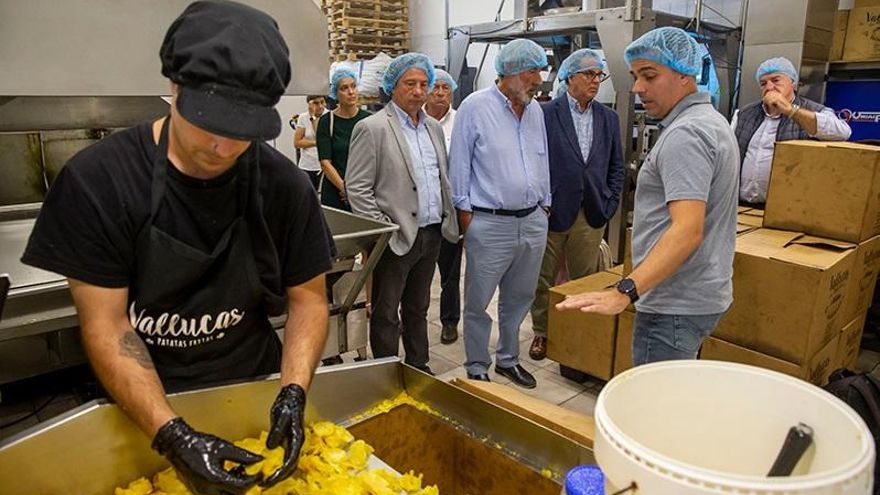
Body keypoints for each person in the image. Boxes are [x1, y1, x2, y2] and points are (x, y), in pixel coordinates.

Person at [20, 2, 335, 493]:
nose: (225, 147)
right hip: (141, 407)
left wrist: (292, 393)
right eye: (210, 122)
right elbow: (106, 325)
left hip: (250, 390)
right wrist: (172, 436)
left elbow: (309, 299)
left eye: (245, 131)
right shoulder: (100, 182)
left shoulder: (284, 187)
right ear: (174, 87)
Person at [556, 27, 738, 366]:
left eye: (649, 75)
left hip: (674, 302)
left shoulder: (687, 134)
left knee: (656, 409)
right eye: (635, 75)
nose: (638, 87)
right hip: (697, 294)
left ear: (685, 74)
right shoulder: (712, 121)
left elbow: (687, 231)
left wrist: (625, 290)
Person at [346, 53, 459, 374]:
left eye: (424, 84)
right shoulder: (373, 128)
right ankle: (386, 372)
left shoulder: (433, 128)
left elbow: (441, 177)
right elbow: (358, 189)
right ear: (393, 87)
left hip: (431, 233)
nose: (419, 91)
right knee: (385, 312)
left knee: (418, 307)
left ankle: (418, 366)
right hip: (394, 239)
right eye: (410, 84)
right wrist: (384, 231)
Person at [448, 38, 550, 388]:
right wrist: (465, 214)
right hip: (488, 221)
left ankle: (508, 359)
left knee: (519, 298)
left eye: (540, 71)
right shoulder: (474, 107)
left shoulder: (535, 110)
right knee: (478, 301)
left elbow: (542, 158)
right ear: (508, 72)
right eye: (531, 72)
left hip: (533, 220)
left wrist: (545, 204)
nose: (538, 79)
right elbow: (458, 164)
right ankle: (477, 364)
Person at [528, 48, 625, 361]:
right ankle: (542, 332)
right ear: (570, 77)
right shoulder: (544, 113)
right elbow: (533, 161)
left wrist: (609, 203)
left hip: (592, 212)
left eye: (600, 75)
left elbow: (616, 167)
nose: (596, 81)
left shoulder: (608, 118)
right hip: (552, 211)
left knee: (586, 279)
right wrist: (541, 203)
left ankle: (578, 335)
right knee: (542, 277)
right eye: (589, 74)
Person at [733, 57, 851, 206]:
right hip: (740, 204)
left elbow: (843, 132)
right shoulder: (744, 114)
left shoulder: (815, 110)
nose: (769, 87)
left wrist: (790, 110)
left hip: (786, 206)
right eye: (763, 83)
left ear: (793, 83)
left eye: (776, 80)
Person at [424, 68, 461, 344]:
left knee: (450, 272)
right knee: (418, 272)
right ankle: (413, 317)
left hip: (450, 209)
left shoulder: (461, 121)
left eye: (445, 88)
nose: (439, 93)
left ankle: (449, 321)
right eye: (435, 87)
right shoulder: (414, 120)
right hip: (422, 208)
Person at [316, 67, 371, 211]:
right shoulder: (327, 121)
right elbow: (325, 162)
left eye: (353, 86)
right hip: (335, 192)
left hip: (364, 192)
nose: (351, 92)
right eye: (344, 88)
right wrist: (344, 189)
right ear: (335, 93)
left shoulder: (369, 120)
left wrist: (356, 191)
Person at [294, 94, 327, 191]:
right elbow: (297, 143)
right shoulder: (303, 117)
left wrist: (312, 118)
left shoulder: (329, 115)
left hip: (324, 165)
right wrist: (318, 142)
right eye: (316, 103)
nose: (320, 106)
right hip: (307, 165)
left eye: (322, 102)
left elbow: (320, 134)